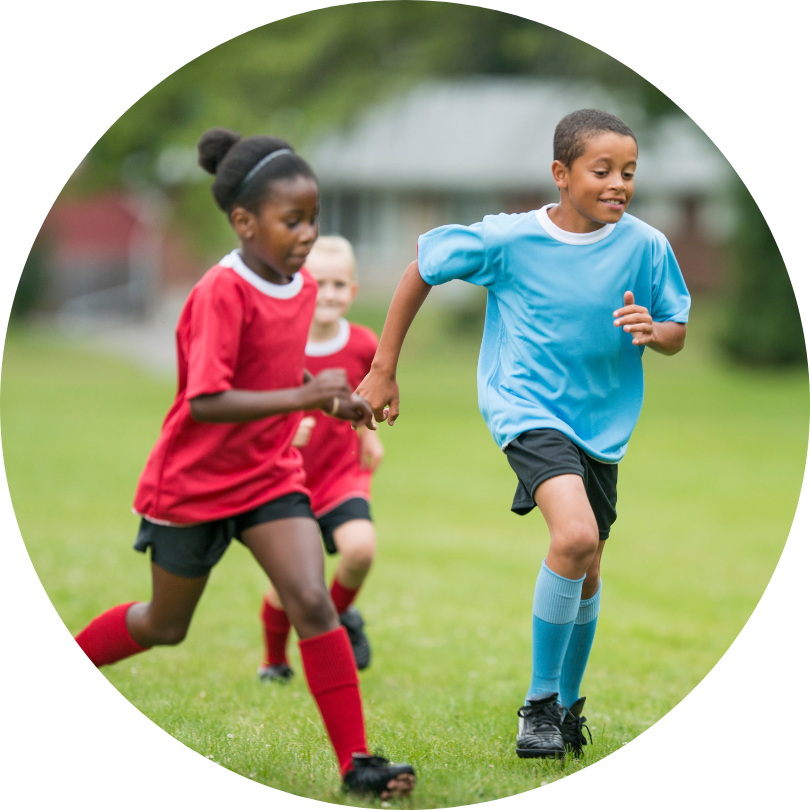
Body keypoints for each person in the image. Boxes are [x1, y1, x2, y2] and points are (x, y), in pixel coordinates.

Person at [73, 128, 415, 797]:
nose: (309, 233)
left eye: (315, 218)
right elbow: (206, 401)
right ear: (244, 221)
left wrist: (338, 406)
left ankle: (358, 765)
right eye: (294, 220)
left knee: (313, 602)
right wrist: (304, 394)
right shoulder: (220, 292)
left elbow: (284, 378)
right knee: (163, 626)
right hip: (193, 485)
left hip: (268, 477)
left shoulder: (303, 289)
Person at [357, 109, 690, 760]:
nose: (620, 184)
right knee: (575, 536)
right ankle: (537, 706)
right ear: (561, 175)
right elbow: (421, 266)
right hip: (526, 405)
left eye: (629, 172)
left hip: (604, 425)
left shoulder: (646, 245)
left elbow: (677, 328)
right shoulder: (510, 240)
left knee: (589, 566)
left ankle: (566, 708)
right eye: (603, 171)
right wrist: (383, 368)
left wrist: (657, 331)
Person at [259, 235, 382, 682]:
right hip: (287, 482)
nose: (328, 294)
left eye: (338, 285)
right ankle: (274, 661)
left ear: (351, 291)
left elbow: (369, 399)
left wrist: (370, 439)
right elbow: (262, 405)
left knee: (361, 550)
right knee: (286, 582)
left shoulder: (365, 344)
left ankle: (336, 617)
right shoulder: (282, 343)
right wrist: (289, 430)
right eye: (319, 283)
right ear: (298, 286)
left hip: (341, 476)